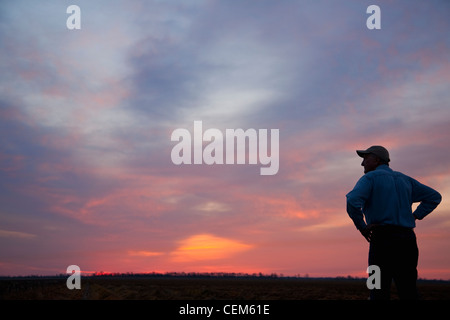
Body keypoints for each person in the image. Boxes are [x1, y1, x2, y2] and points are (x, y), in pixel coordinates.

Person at [346, 146, 442, 300]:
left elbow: (352, 201)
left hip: (381, 241)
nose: (362, 164)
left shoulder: (369, 179)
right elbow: (434, 197)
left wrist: (362, 227)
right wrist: (415, 216)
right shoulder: (405, 180)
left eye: (365, 159)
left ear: (377, 160)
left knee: (376, 286)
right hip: (407, 241)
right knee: (408, 289)